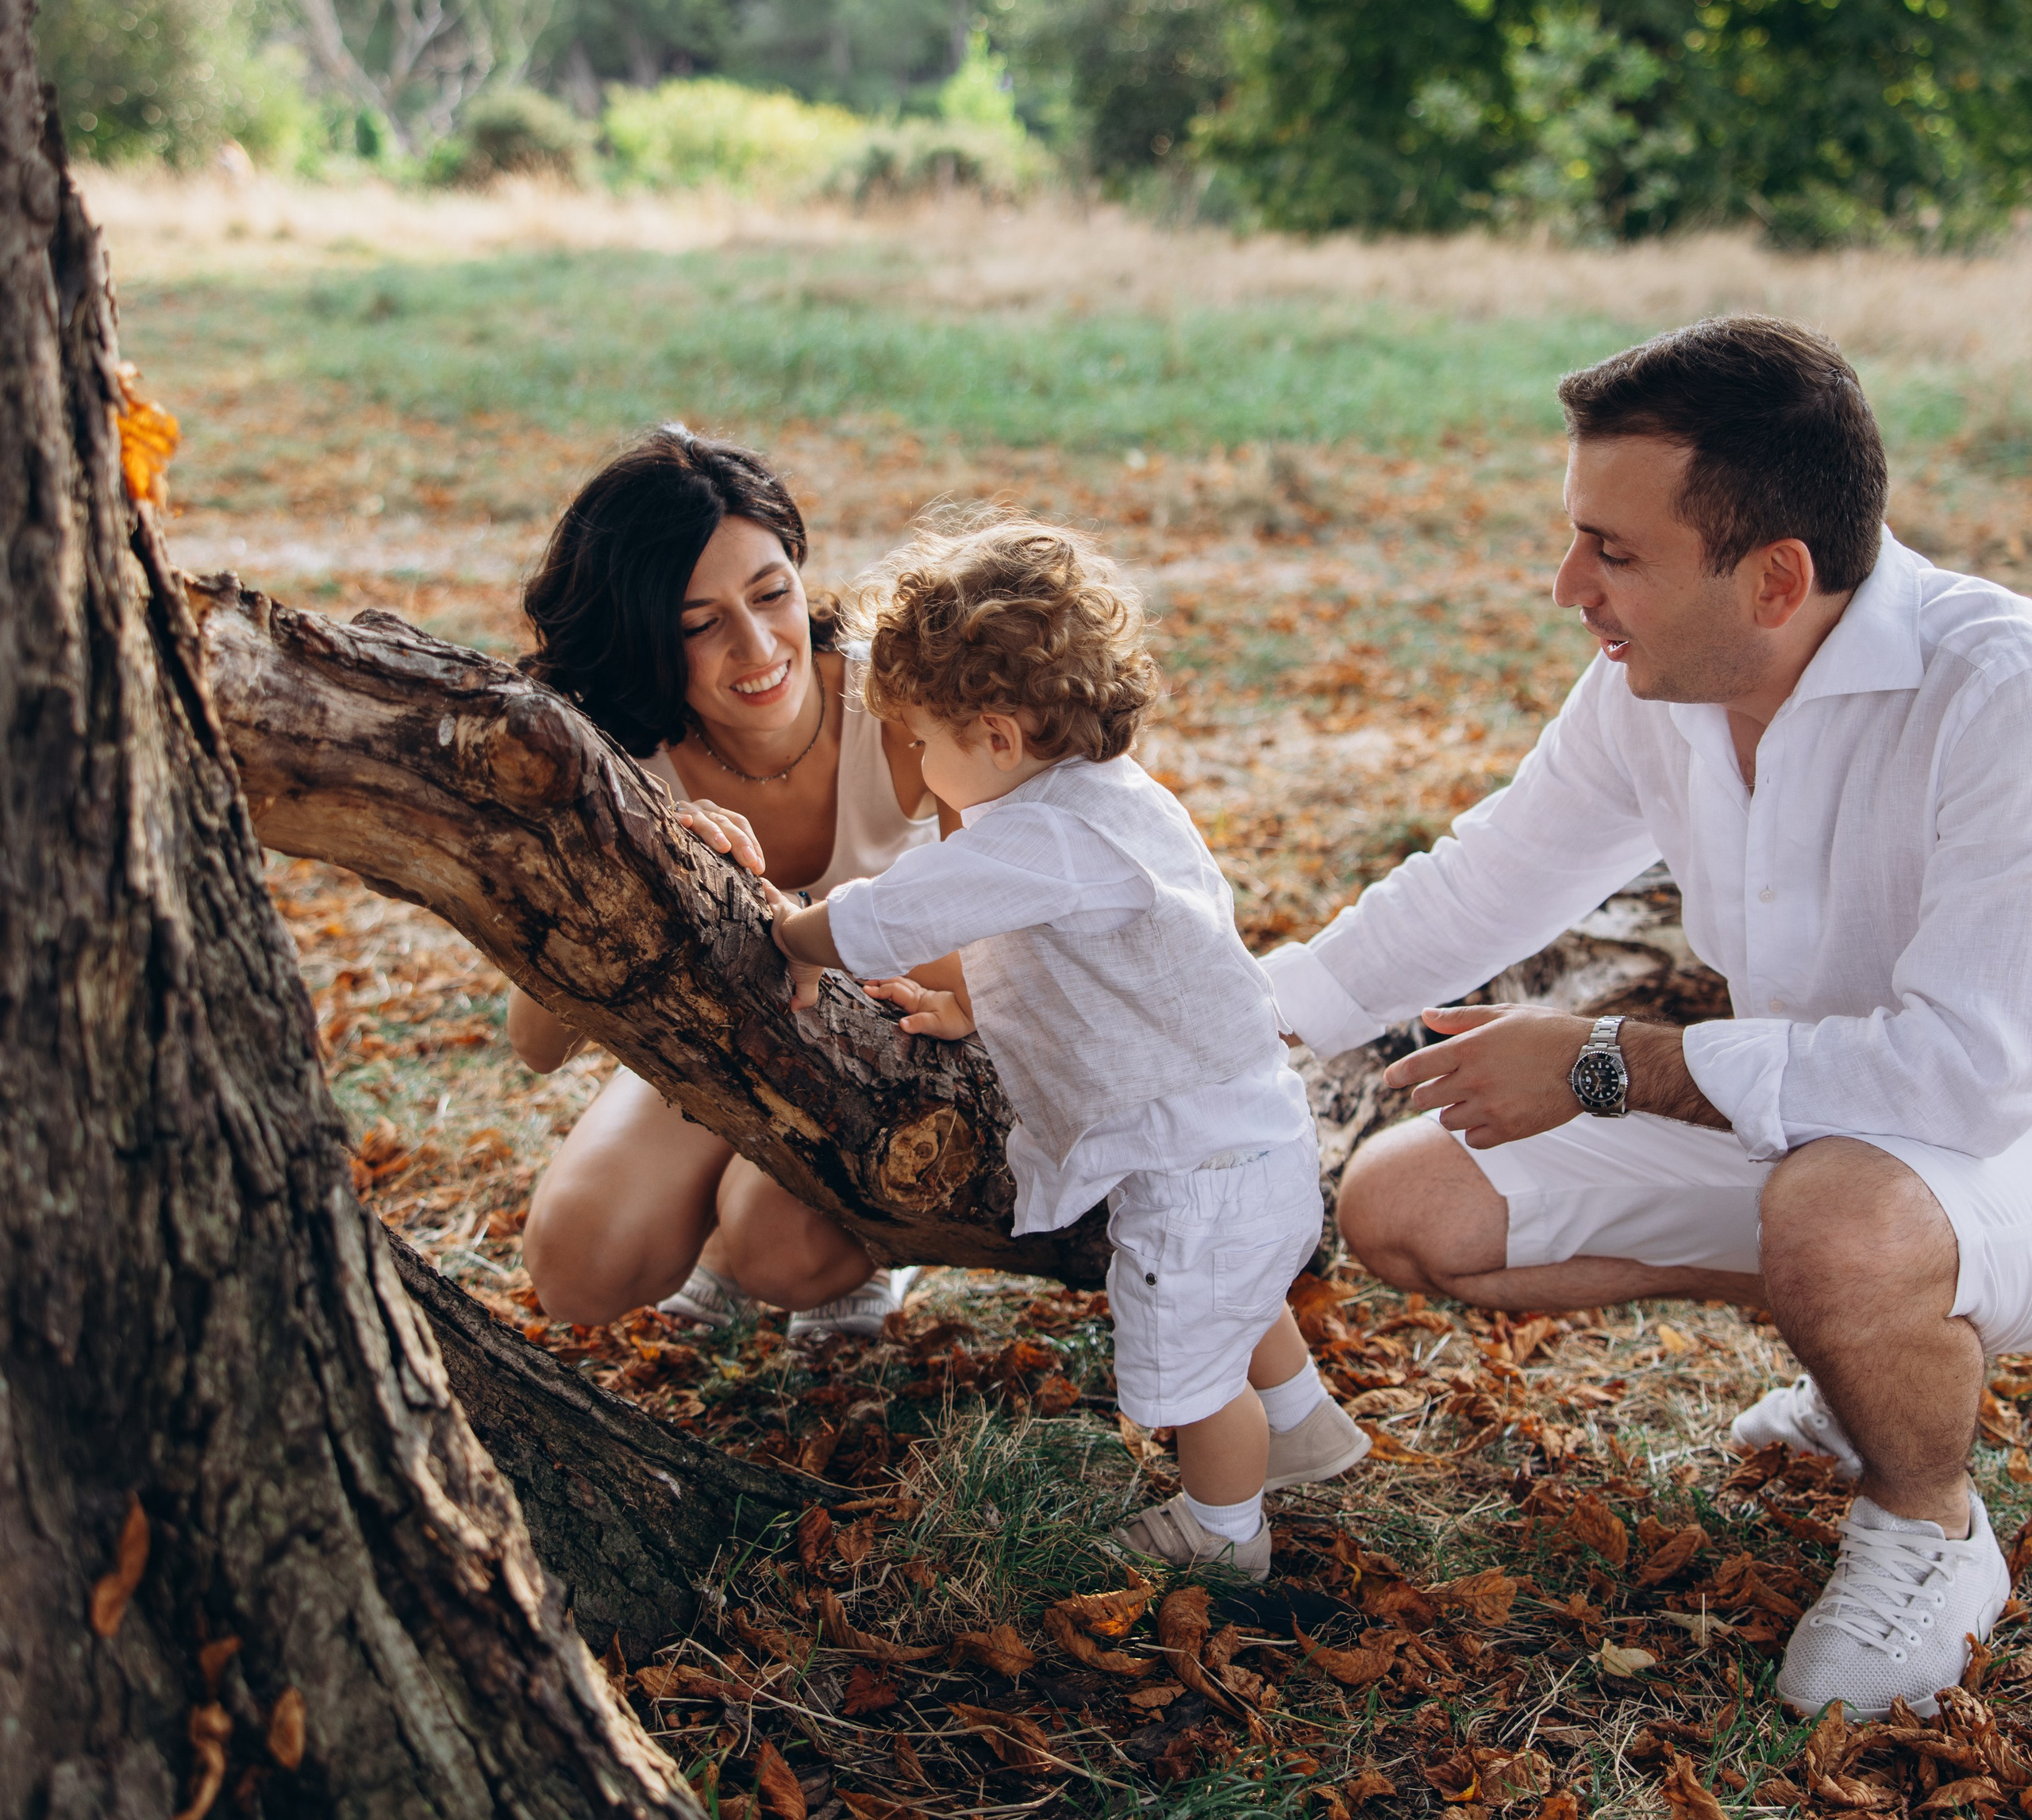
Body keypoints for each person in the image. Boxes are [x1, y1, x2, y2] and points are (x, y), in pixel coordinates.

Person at [1268, 315, 2032, 1718]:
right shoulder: (1659, 686)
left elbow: (1966, 1079)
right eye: (1579, 540)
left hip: (1991, 1161)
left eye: (1614, 553)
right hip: (1806, 1140)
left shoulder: (2002, 697)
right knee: (1408, 1202)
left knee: (1841, 1225)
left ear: (1776, 578)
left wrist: (1618, 1064)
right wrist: (1241, 1021)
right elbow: (1490, 876)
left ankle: (1930, 1523)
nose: (1571, 587)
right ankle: (1859, 1356)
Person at [764, 517, 1372, 1579]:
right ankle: (1309, 1428)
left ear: (995, 736)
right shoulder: (1111, 802)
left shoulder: (1034, 833)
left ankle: (1225, 1533)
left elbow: (894, 915)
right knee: (1241, 1297)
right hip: (1248, 1137)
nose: (911, 762)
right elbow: (1086, 968)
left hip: (1199, 1170)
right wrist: (979, 1012)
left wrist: (791, 933)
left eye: (916, 739)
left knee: (1197, 1369)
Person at [507, 425, 963, 1339]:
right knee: (579, 1268)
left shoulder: (908, 704)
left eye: (771, 593)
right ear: (641, 637)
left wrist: (806, 934)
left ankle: (831, 1246)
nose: (757, 646)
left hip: (909, 1037)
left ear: (800, 572)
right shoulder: (621, 761)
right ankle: (723, 1206)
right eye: (698, 624)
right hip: (719, 1051)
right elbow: (538, 1042)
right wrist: (636, 867)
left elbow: (1012, 951)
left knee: (778, 1252)